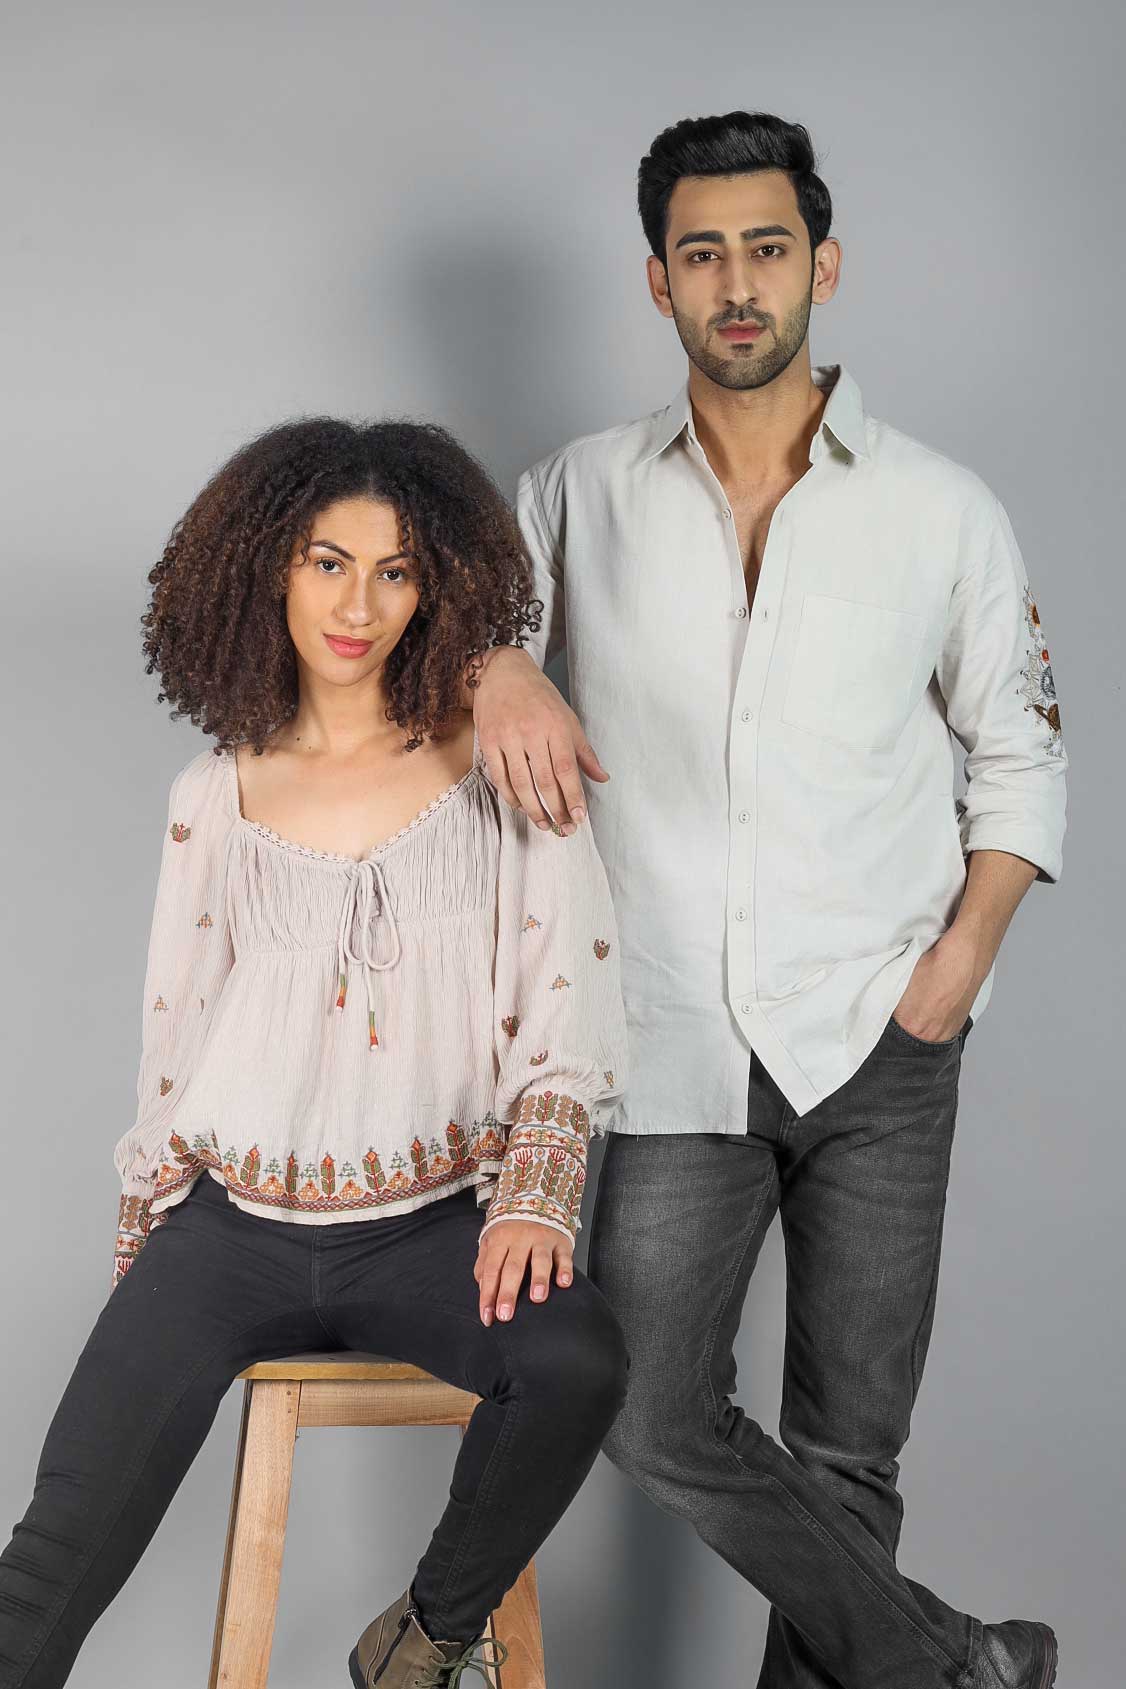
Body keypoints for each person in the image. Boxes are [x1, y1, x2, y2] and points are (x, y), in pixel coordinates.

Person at [467, 112, 1066, 1688]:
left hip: (883, 1031)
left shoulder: (939, 507)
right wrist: (491, 665)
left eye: (766, 248)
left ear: (823, 265)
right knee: (647, 1407)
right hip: (665, 1035)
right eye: (701, 253)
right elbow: (458, 637)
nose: (737, 284)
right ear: (655, 280)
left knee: (849, 1448)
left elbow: (1019, 753)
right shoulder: (572, 494)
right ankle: (957, 1663)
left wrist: (957, 966)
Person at [0, 418, 630, 1689]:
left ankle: (421, 1639)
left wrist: (536, 1193)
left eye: (395, 571)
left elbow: (569, 991)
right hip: (230, 1232)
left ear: (433, 584)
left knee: (574, 1364)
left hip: (432, 1227)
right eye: (327, 563)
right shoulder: (212, 795)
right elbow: (176, 1032)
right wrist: (148, 1235)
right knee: (54, 1547)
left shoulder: (502, 766)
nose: (357, 606)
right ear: (265, 570)